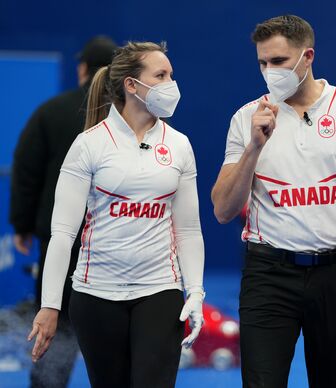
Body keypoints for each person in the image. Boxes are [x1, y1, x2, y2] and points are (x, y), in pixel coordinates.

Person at [211, 15, 336, 388]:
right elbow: (222, 209)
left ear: (307, 57)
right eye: (262, 63)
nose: (270, 72)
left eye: (279, 61)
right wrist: (254, 146)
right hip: (269, 274)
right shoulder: (245, 119)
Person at [26, 41, 206, 388]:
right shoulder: (89, 145)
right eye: (162, 75)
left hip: (159, 290)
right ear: (132, 85)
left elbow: (189, 230)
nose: (172, 83)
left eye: (172, 74)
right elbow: (62, 234)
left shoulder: (180, 145)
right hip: (96, 296)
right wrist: (50, 305)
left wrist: (195, 291)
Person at [9, 35, 117, 388]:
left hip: (61, 240)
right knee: (116, 325)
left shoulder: (51, 111)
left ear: (82, 68)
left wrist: (22, 225)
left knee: (54, 312)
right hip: (116, 241)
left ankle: (47, 384)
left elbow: (26, 171)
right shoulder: (128, 117)